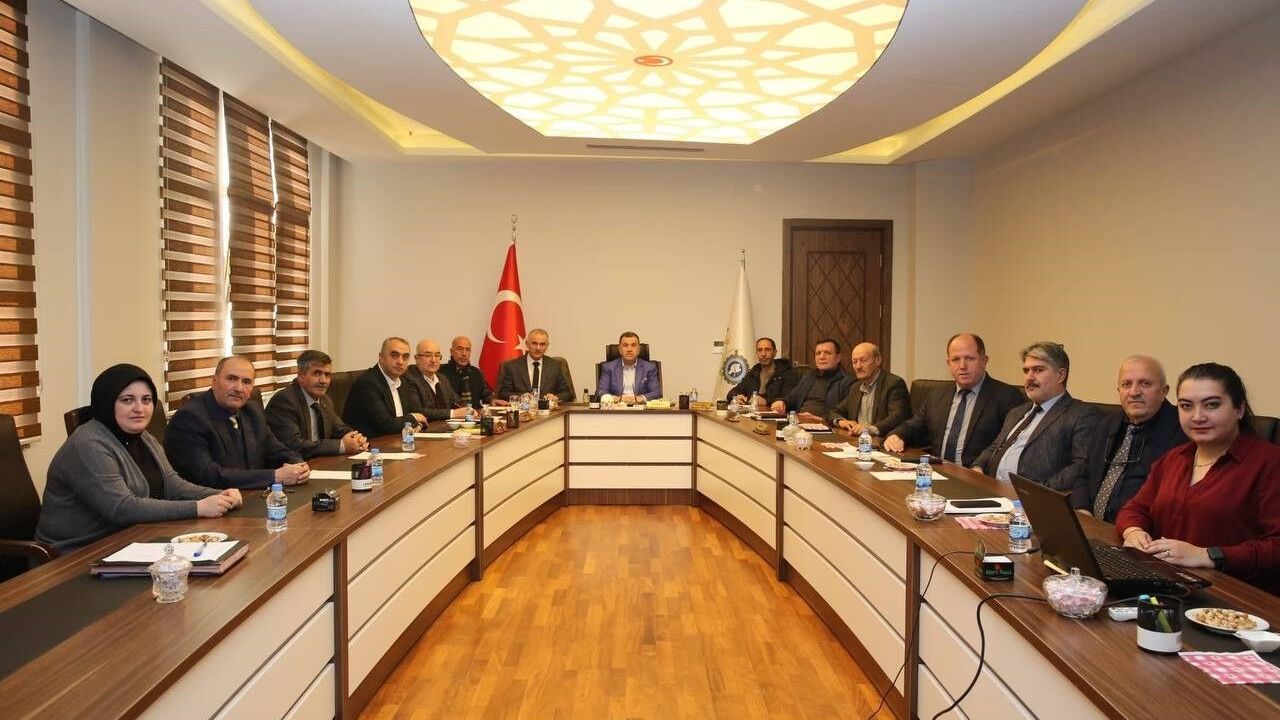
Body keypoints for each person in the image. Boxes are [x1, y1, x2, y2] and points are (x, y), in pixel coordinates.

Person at [35, 364, 242, 553]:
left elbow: (172, 485)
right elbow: (122, 509)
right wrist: (199, 508)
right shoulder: (88, 444)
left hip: (128, 542)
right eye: (127, 400)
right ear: (107, 402)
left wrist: (219, 495)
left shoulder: (143, 437)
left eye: (146, 400)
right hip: (74, 557)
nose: (139, 409)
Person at [1117, 363, 1280, 595]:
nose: (1197, 416)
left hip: (1236, 598)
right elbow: (1135, 508)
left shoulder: (1270, 463)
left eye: (1211, 405)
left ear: (1239, 409)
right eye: (1186, 406)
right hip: (1170, 585)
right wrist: (1133, 531)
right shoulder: (1174, 458)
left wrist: (1208, 555)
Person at [166, 356, 310, 490]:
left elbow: (277, 450)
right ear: (214, 382)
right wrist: (274, 477)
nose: (239, 388)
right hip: (211, 502)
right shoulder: (189, 418)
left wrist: (298, 465)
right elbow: (209, 475)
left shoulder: (252, 411)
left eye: (246, 382)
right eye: (231, 379)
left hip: (252, 496)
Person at [1072, 356, 1185, 522]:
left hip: (1140, 530)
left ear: (1164, 391)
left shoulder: (1182, 430)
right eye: (1126, 384)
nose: (1134, 392)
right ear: (1118, 390)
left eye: (1145, 383)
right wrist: (1082, 509)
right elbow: (1084, 473)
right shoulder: (1106, 424)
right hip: (1093, 525)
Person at [883, 333, 1023, 466]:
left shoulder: (1007, 397)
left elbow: (1009, 447)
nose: (962, 366)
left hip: (977, 475)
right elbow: (914, 425)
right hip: (938, 470)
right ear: (948, 363)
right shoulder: (937, 394)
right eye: (956, 360)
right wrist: (897, 435)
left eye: (969, 358)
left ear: (984, 361)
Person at [973, 341, 1096, 491]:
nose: (1029, 378)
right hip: (992, 491)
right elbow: (996, 447)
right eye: (1026, 371)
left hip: (1033, 499)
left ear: (1060, 375)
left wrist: (1034, 493)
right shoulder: (1016, 412)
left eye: (1038, 370)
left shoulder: (1081, 414)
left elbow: (1080, 467)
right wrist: (978, 466)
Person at [265, 350, 368, 459]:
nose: (323, 381)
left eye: (327, 375)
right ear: (300, 376)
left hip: (318, 463)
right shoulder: (284, 401)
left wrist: (356, 439)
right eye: (317, 373)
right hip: (291, 465)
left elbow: (340, 428)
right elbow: (294, 445)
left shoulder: (324, 399)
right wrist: (342, 446)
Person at [342, 337, 430, 438]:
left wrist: (416, 425)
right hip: (371, 443)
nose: (400, 362)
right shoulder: (368, 383)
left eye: (405, 357)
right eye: (394, 355)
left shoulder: (403, 381)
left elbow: (409, 416)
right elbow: (386, 425)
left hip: (397, 440)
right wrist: (413, 417)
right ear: (381, 357)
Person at [827, 342, 910, 438]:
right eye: (854, 362)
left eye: (863, 360)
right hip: (857, 440)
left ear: (878, 360)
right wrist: (842, 421)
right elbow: (833, 412)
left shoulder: (893, 383)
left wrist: (870, 429)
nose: (858, 366)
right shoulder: (855, 387)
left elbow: (898, 417)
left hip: (883, 441)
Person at [770, 338, 854, 424]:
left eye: (827, 353)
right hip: (799, 424)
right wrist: (782, 402)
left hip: (826, 427)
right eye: (818, 353)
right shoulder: (809, 376)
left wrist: (820, 420)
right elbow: (792, 397)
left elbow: (844, 415)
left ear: (838, 358)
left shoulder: (847, 381)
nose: (822, 357)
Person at [495, 328, 575, 403]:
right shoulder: (512, 366)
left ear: (547, 346)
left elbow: (567, 393)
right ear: (527, 344)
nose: (538, 348)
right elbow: (503, 394)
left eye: (542, 344)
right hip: (523, 410)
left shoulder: (555, 366)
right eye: (534, 343)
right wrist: (520, 397)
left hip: (548, 411)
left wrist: (556, 397)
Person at [405, 339, 471, 420]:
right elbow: (418, 411)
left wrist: (469, 409)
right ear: (417, 358)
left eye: (437, 355)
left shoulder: (442, 379)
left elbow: (457, 401)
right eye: (428, 355)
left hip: (445, 425)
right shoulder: (409, 378)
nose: (433, 360)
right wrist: (453, 413)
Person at [597, 331, 662, 403]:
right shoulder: (608, 367)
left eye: (633, 345)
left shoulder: (649, 368)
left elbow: (656, 392)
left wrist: (640, 398)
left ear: (638, 349)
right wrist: (618, 399)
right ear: (620, 349)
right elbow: (601, 392)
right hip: (616, 407)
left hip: (640, 407)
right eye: (625, 345)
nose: (629, 349)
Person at [727, 337, 792, 408]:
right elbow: (732, 392)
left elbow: (790, 399)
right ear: (756, 353)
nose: (763, 354)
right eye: (760, 350)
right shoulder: (754, 372)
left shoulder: (786, 373)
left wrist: (766, 401)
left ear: (774, 352)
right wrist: (736, 397)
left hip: (775, 414)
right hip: (752, 413)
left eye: (767, 349)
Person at [440, 335, 495, 407]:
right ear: (451, 352)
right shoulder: (441, 372)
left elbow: (485, 393)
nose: (464, 354)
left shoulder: (476, 372)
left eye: (467, 350)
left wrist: (492, 399)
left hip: (476, 412)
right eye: (460, 349)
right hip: (452, 413)